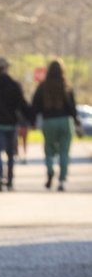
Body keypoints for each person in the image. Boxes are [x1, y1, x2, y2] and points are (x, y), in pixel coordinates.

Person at [0, 57, 32, 192]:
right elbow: (22, 104)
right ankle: (10, 180)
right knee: (10, 153)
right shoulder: (14, 84)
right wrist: (30, 118)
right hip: (11, 123)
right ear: (7, 68)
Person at [30, 59, 82, 191]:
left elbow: (35, 106)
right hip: (64, 121)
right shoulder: (66, 86)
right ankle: (62, 180)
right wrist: (76, 121)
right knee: (64, 152)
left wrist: (32, 120)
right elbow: (72, 107)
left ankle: (50, 170)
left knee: (49, 150)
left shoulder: (43, 86)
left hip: (49, 122)